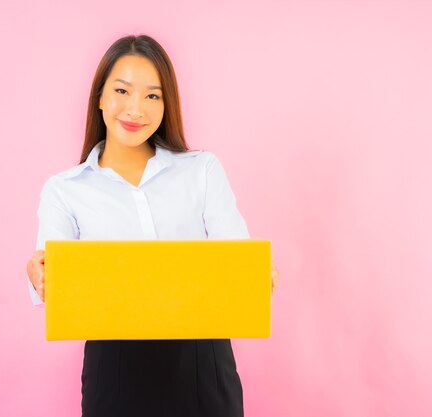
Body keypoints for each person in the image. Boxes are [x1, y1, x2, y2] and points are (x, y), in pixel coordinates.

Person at [25, 34, 280, 417]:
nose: (135, 109)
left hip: (201, 362)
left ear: (167, 104)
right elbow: (56, 277)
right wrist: (39, 273)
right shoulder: (65, 189)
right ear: (99, 97)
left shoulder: (201, 170)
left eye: (152, 96)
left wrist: (255, 276)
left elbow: (235, 255)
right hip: (115, 367)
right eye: (122, 91)